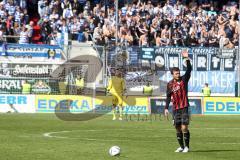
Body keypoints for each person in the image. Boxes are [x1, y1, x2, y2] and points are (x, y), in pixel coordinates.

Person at [164, 50, 192, 153]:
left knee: (184, 127)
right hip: (175, 109)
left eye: (179, 72)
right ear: (172, 74)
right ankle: (181, 146)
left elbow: (189, 69)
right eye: (176, 73)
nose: (178, 74)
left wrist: (186, 58)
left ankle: (187, 147)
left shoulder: (184, 80)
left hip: (184, 107)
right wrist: (166, 108)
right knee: (177, 128)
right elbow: (168, 96)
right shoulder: (170, 84)